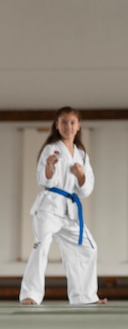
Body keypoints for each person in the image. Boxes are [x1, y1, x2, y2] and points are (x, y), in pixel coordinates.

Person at [19, 106, 107, 305]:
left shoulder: (82, 155)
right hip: (49, 207)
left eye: (72, 122)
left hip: (70, 211)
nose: (68, 126)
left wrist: (81, 175)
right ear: (57, 126)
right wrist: (49, 168)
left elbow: (86, 189)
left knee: (88, 248)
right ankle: (30, 294)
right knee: (41, 247)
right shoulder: (51, 149)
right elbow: (43, 180)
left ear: (78, 126)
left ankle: (84, 297)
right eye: (64, 122)